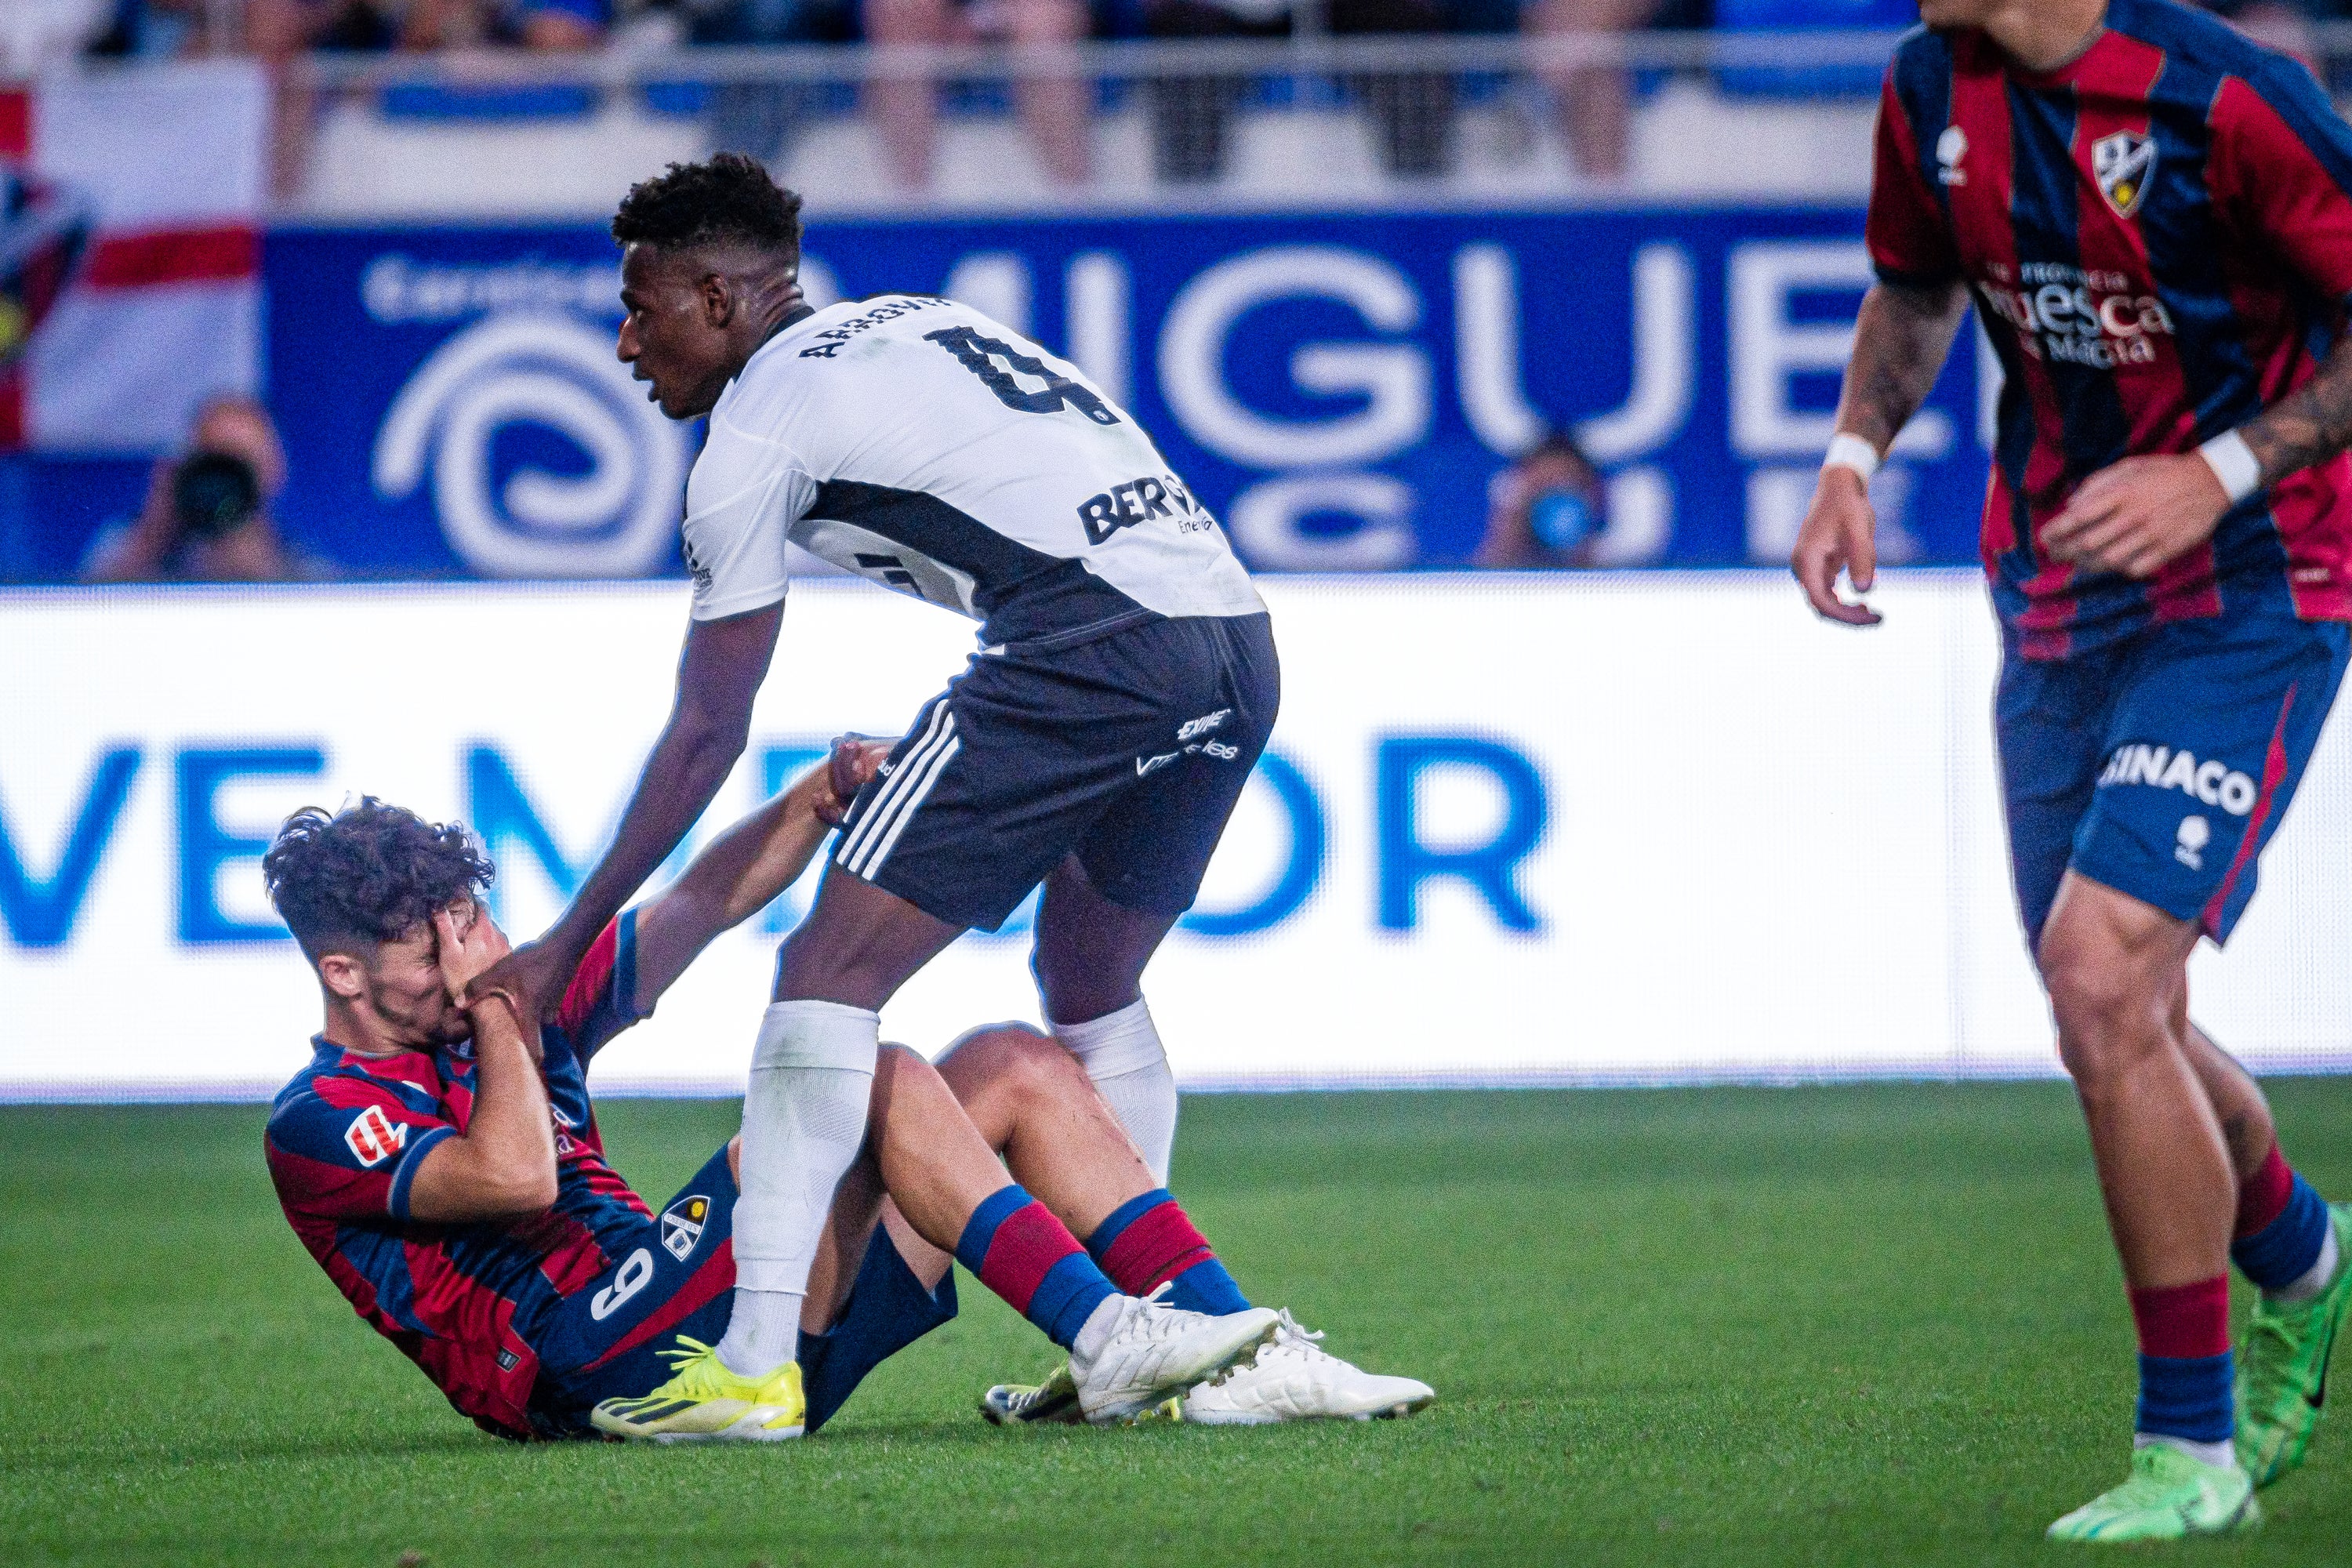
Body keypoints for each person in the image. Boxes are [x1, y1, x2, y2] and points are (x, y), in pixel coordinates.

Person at [469, 152, 1276, 1441]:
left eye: (645, 306)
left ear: (726, 300)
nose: (626, 341)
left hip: (1086, 642)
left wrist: (566, 938)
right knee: (1087, 984)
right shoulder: (909, 320)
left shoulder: (754, 430)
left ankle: (751, 1365)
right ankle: (1158, 1338)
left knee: (824, 979)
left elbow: (705, 730)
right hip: (1233, 629)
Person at [1791, 0, 2352, 1542]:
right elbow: (1912, 297)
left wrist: (2223, 466)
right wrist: (1852, 461)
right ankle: (2308, 1253)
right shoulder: (1928, 88)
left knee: (2100, 977)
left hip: (2253, 585)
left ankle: (2194, 1446)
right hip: (2051, 596)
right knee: (2119, 1007)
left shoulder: (2233, 102)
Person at [261, 752, 1429, 1439]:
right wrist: (509, 1006)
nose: (483, 952)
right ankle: (1109, 1335)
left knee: (1014, 1063)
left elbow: (700, 907)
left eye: (477, 917)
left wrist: (812, 802)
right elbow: (515, 1176)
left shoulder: (494, 1013)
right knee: (863, 1076)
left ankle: (1232, 1358)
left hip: (732, 1325)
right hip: (585, 1372)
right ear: (345, 973)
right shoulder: (322, 1118)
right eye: (445, 941)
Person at [79, 396, 328, 585]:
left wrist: (257, 564)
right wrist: (153, 533)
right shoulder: (129, 543)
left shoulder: (305, 570)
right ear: (187, 466)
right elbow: (83, 615)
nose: (225, 479)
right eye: (215, 461)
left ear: (274, 471)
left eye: (241, 463)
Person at [1473, 427, 1610, 568]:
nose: (1555, 501)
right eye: (1543, 487)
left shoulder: (1624, 574)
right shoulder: (1478, 584)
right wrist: (1508, 536)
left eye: (1568, 487)